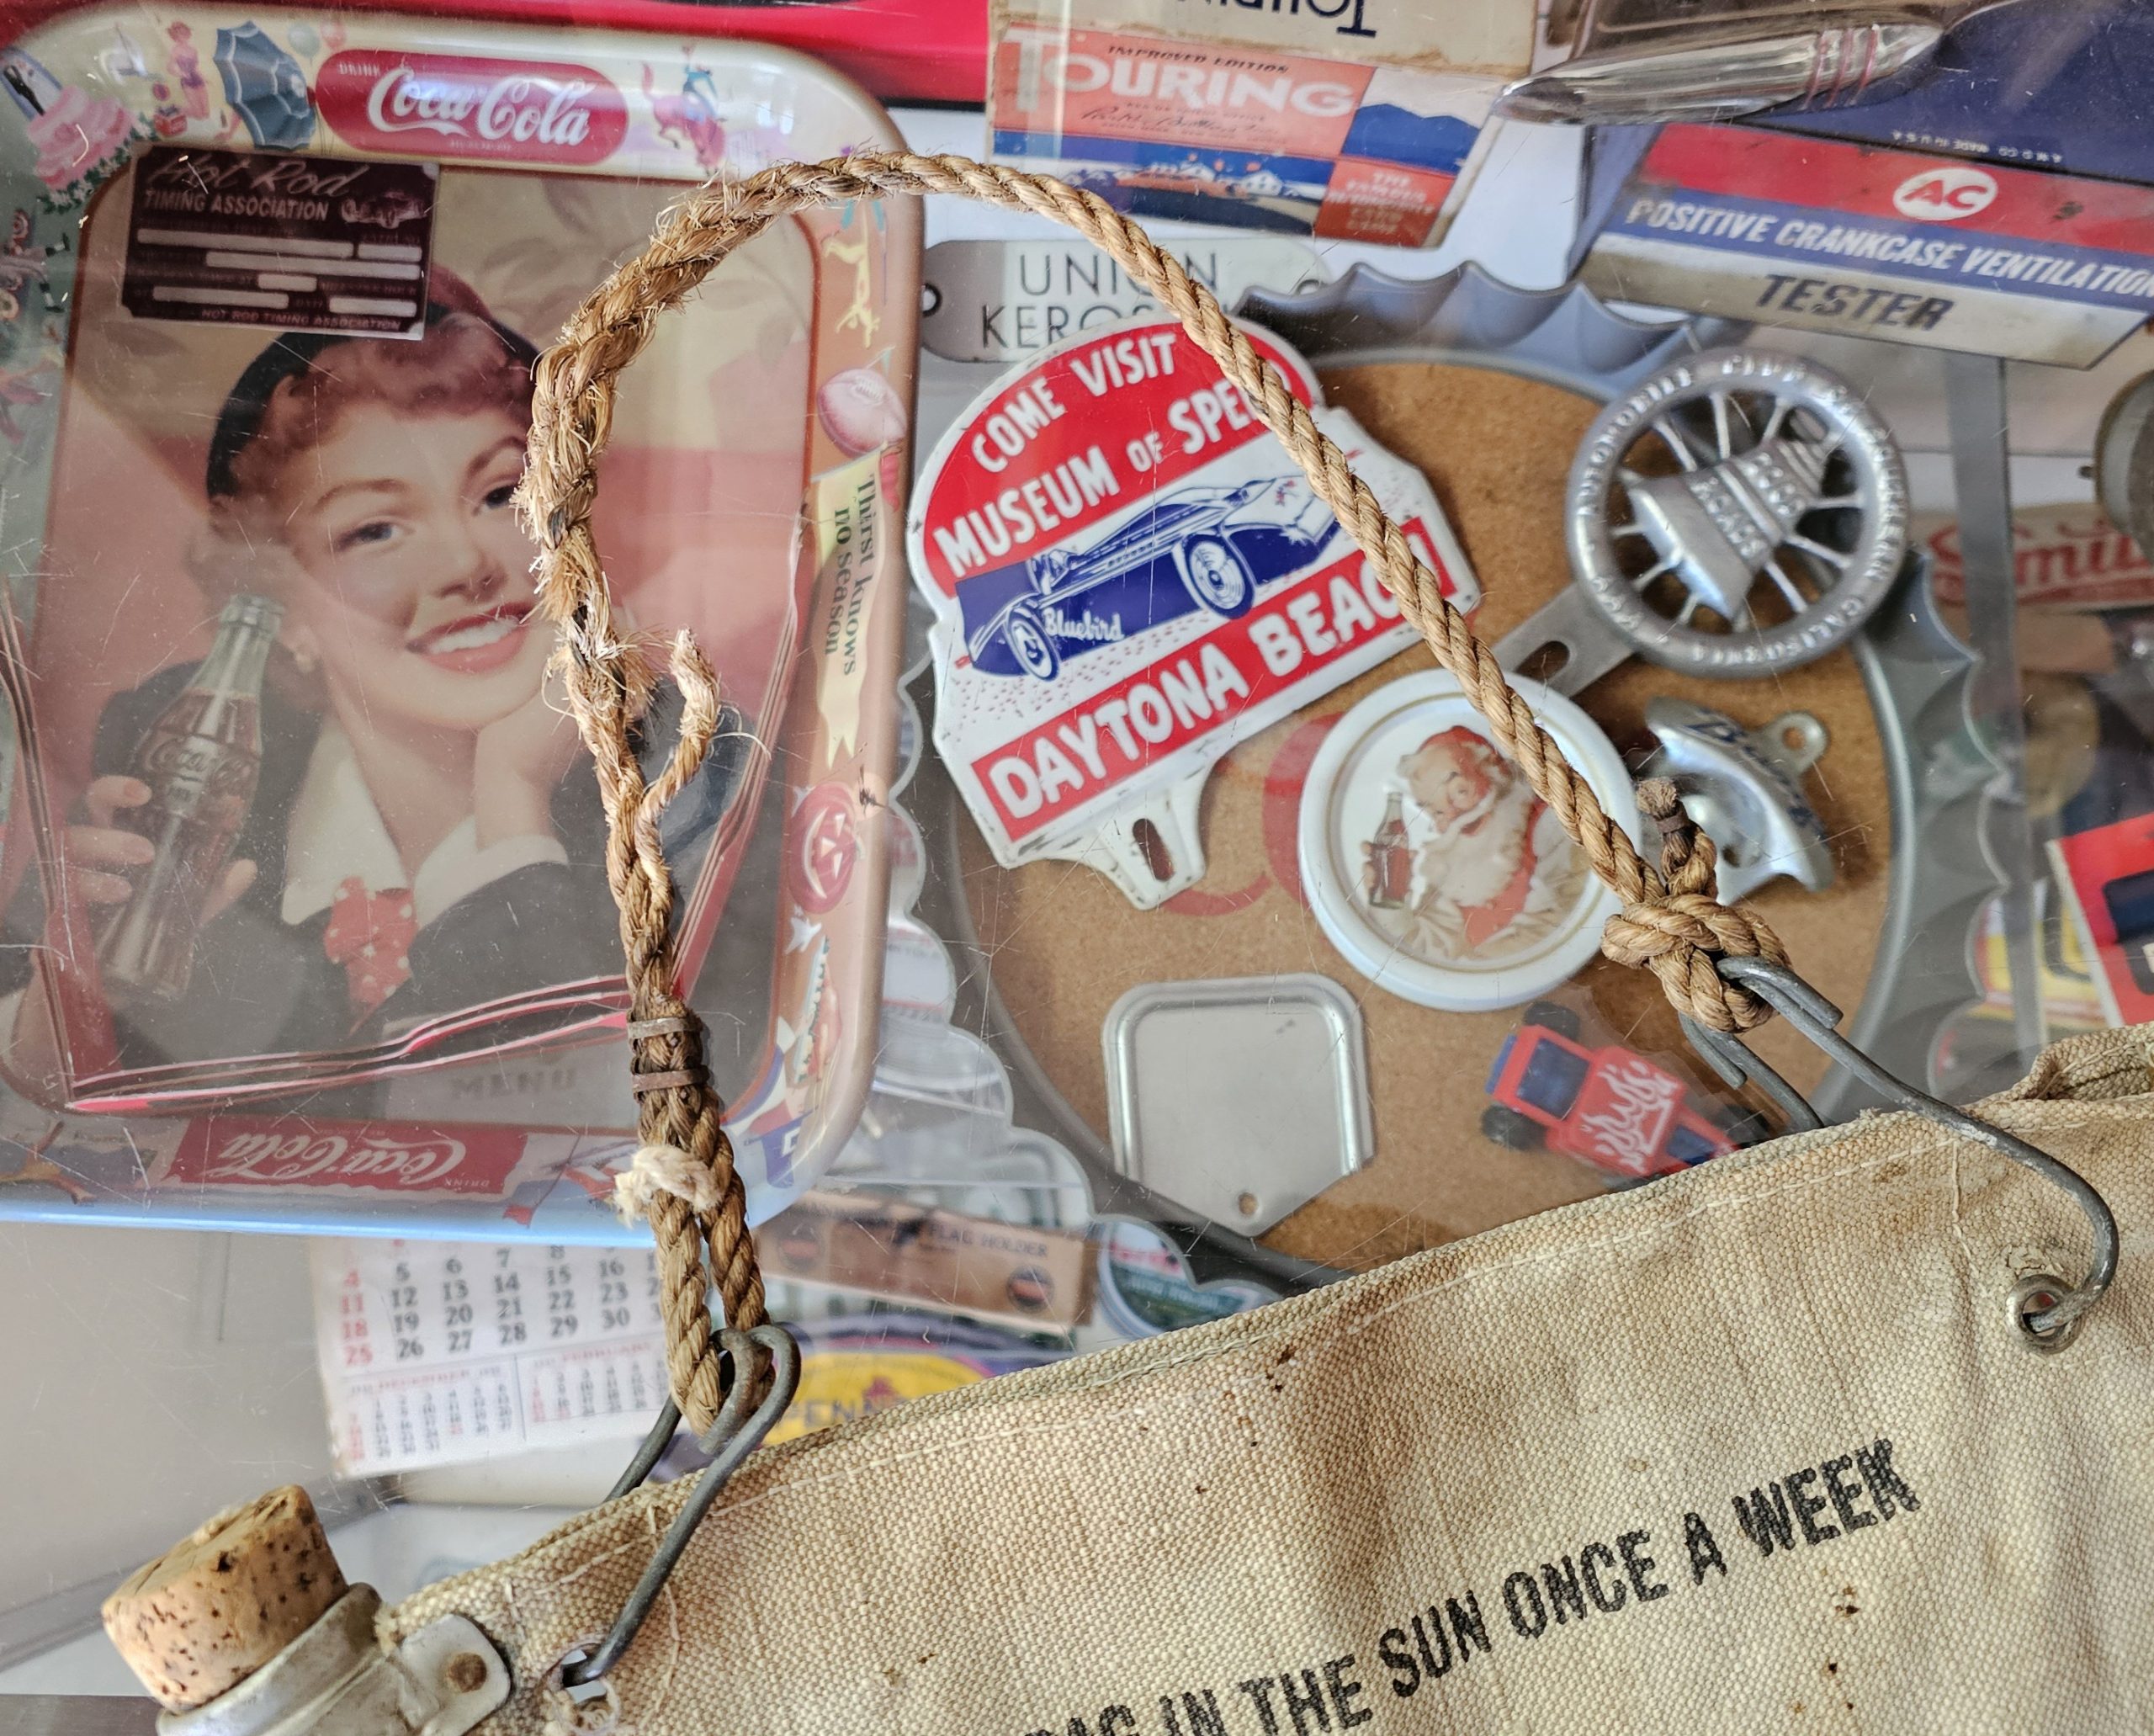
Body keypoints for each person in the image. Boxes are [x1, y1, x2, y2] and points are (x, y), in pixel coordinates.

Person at [1, 281, 743, 1095]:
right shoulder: (171, 775)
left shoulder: (702, 789)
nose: (466, 565)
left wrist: (511, 802)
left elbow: (595, 1114)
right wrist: (74, 1001)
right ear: (281, 606)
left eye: (503, 495)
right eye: (375, 529)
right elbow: (63, 1113)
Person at [1363, 726, 1586, 964]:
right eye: (1437, 812)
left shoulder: (1552, 825)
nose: (1453, 816)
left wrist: (1468, 973)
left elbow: (1555, 925)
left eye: (1460, 792)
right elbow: (1423, 951)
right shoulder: (1452, 860)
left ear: (1492, 770)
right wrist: (1390, 902)